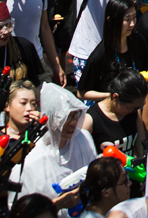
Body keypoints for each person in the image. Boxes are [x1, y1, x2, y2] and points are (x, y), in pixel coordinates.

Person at [12, 83, 96, 215]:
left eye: (76, 115)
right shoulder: (32, 157)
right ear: (51, 117)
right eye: (67, 117)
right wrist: (57, 204)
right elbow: (20, 210)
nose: (73, 123)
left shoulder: (83, 140)